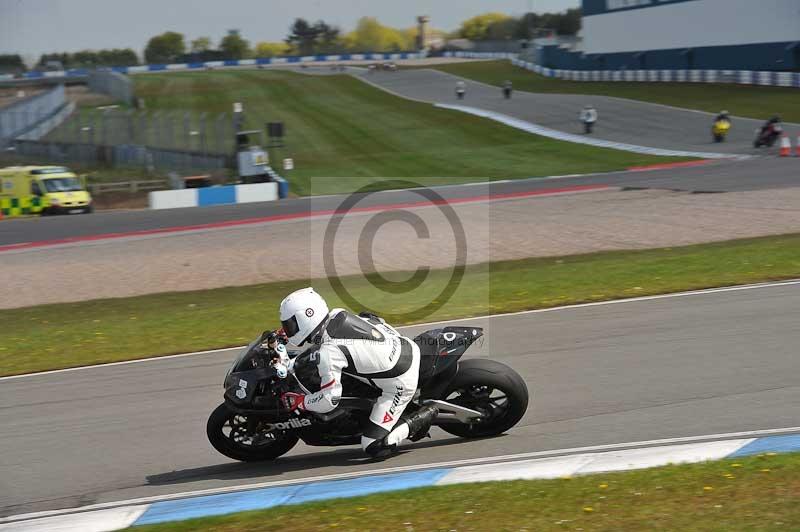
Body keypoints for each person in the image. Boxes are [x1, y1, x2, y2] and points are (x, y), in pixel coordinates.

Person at [278, 287, 438, 459]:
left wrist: (301, 401)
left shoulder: (329, 352)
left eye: (290, 325)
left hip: (400, 382)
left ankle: (427, 413)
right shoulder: (337, 315)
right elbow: (370, 318)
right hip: (403, 346)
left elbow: (329, 400)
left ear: (306, 318)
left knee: (373, 446)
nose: (288, 330)